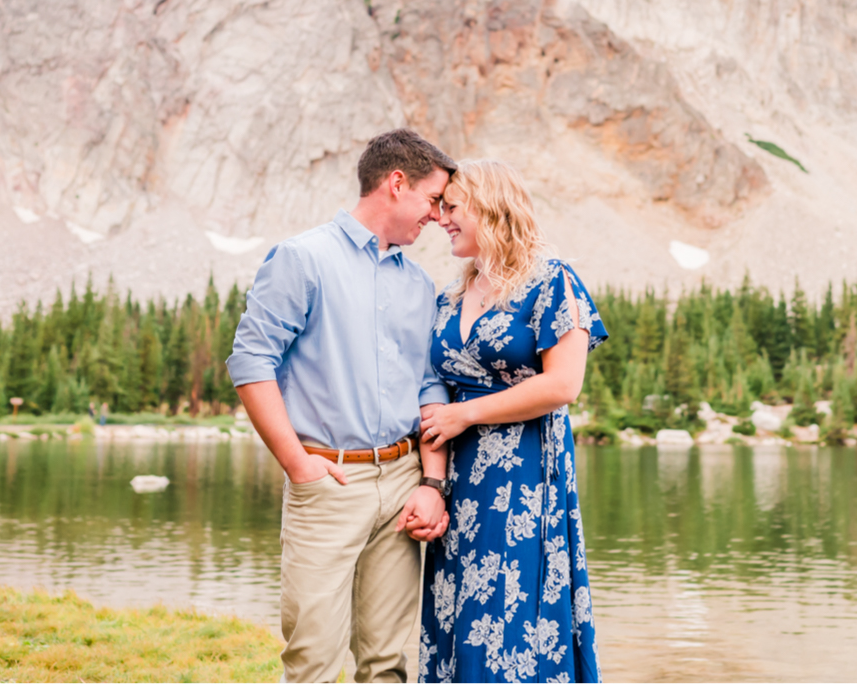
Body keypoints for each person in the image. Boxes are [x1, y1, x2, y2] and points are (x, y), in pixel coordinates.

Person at [226, 128, 457, 683]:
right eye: (432, 199)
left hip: (402, 484)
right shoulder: (302, 259)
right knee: (314, 660)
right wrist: (298, 465)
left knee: (385, 664)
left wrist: (431, 482)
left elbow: (429, 385)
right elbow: (250, 361)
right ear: (396, 183)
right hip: (328, 481)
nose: (436, 216)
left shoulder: (420, 284)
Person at [416, 159, 606, 683]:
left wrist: (465, 413)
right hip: (458, 481)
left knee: (510, 612)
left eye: (452, 207)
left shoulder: (552, 280)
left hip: (524, 478)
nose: (441, 219)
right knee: (458, 614)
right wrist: (433, 481)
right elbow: (431, 388)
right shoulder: (451, 294)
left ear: (489, 207)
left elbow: (562, 386)